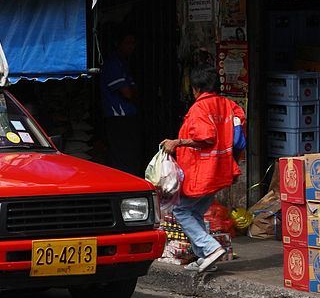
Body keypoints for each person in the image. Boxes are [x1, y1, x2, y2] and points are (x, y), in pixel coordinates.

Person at [161, 66, 244, 273]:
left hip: (203, 171)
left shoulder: (200, 108)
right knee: (195, 211)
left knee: (180, 210)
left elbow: (206, 137)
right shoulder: (229, 105)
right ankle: (204, 255)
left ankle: (210, 248)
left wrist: (177, 142)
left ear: (196, 89)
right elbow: (238, 139)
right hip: (220, 169)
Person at [100, 31, 141, 176]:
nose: (131, 47)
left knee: (130, 154)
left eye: (133, 43)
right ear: (118, 44)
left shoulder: (123, 63)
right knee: (123, 156)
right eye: (127, 43)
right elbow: (128, 93)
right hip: (118, 117)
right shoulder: (113, 64)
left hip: (126, 116)